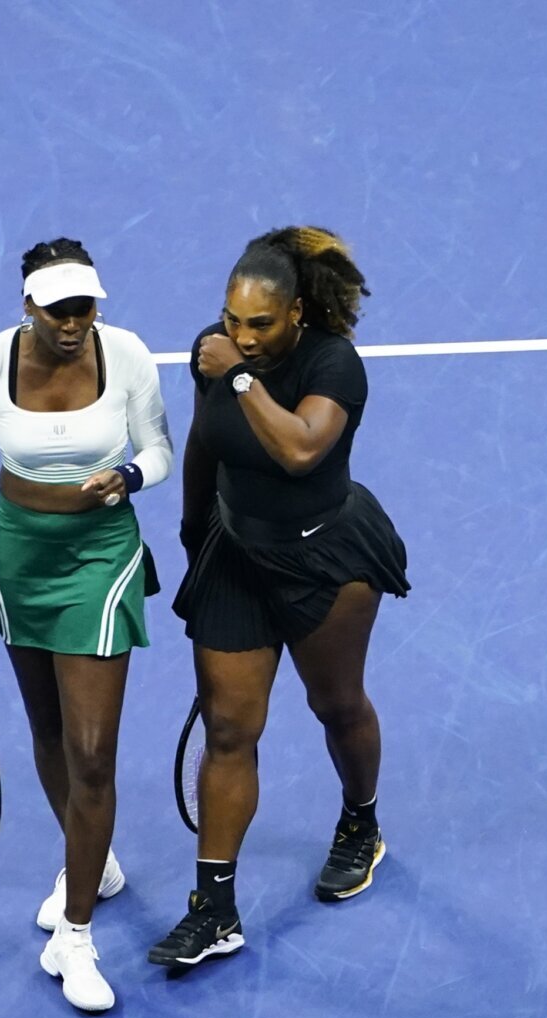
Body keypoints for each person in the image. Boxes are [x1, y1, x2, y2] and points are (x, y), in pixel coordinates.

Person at [150, 226, 410, 968]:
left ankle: (360, 822)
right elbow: (205, 440)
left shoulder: (333, 363)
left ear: (296, 313)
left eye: (260, 323)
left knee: (337, 705)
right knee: (230, 729)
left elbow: (299, 448)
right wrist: (194, 530)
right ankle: (214, 910)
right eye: (232, 320)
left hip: (326, 561)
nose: (242, 336)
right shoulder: (214, 353)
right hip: (236, 557)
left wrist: (239, 377)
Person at [0, 238, 172, 1011]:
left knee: (92, 752)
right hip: (19, 560)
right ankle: (94, 863)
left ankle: (74, 936)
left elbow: (160, 450)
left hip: (100, 559)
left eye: (84, 308)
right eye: (59, 309)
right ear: (28, 306)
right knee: (49, 732)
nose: (73, 323)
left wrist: (129, 475)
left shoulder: (126, 354)